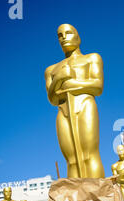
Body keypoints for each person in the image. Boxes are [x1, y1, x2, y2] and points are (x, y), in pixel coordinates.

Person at [44, 24, 105, 178]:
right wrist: (59, 78)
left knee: (89, 154)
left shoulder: (91, 58)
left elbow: (97, 86)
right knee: (72, 160)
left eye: (68, 33)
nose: (64, 38)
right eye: (60, 35)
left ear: (78, 37)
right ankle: (76, 197)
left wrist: (71, 84)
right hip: (63, 111)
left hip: (84, 105)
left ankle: (98, 196)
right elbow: (52, 98)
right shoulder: (51, 70)